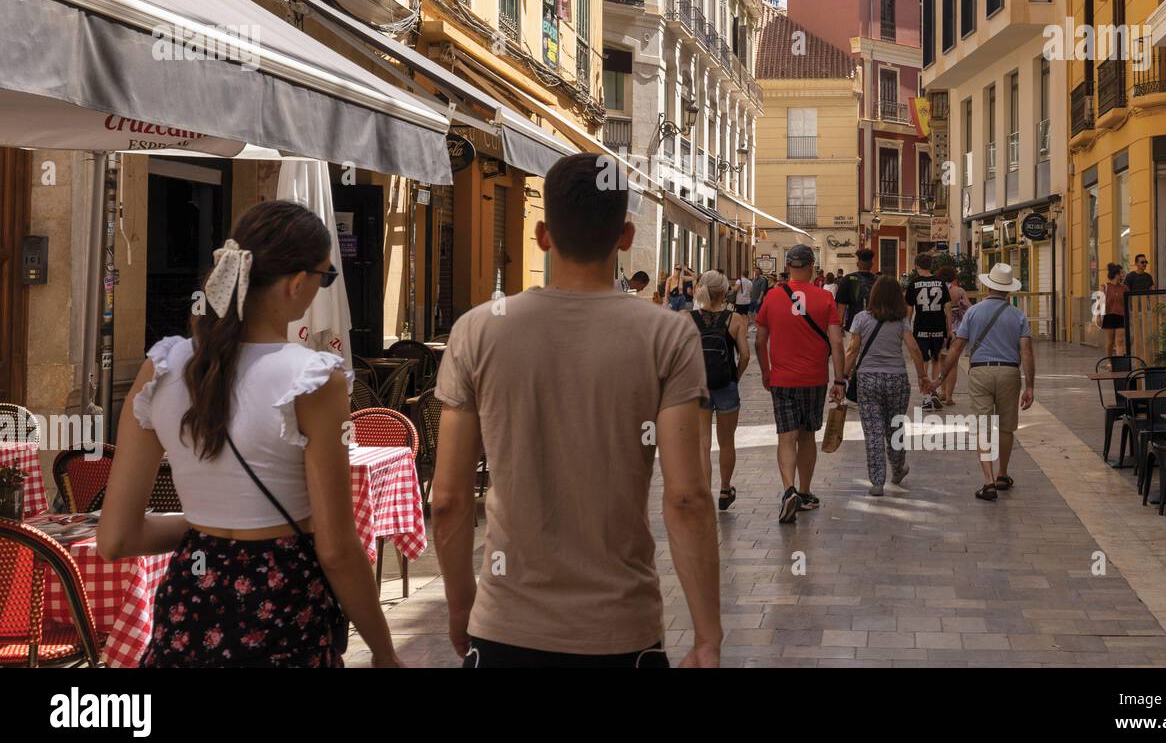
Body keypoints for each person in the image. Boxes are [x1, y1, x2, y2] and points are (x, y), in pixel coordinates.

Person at [432, 154, 722, 668]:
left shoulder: (476, 331)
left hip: (504, 628)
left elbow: (449, 499)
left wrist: (460, 608)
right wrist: (707, 636)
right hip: (619, 632)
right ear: (626, 236)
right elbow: (687, 497)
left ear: (543, 235)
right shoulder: (667, 334)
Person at [99, 200, 400, 668]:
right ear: (298, 283)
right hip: (280, 606)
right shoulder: (314, 378)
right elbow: (338, 550)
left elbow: (116, 539)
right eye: (326, 277)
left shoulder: (160, 367)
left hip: (189, 603)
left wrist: (209, 520)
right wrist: (383, 652)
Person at [755, 244, 846, 523]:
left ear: (788, 266)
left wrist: (766, 372)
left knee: (786, 436)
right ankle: (805, 492)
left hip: (782, 378)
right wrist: (840, 379)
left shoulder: (771, 297)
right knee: (807, 436)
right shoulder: (824, 298)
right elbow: (836, 341)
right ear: (811, 266)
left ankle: (788, 490)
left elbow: (759, 341)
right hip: (814, 378)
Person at [930, 262, 1035, 502]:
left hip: (980, 372)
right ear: (1008, 290)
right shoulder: (1018, 315)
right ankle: (1002, 474)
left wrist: (940, 379)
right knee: (1007, 427)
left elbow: (956, 348)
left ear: (988, 287)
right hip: (1009, 373)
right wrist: (1029, 386)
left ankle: (988, 482)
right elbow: (1027, 352)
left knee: (982, 426)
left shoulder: (973, 313)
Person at [842, 276, 928, 497]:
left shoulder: (861, 318)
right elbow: (914, 349)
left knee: (873, 432)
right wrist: (922, 377)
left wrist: (841, 378)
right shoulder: (901, 321)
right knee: (895, 428)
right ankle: (898, 469)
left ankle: (877, 481)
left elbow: (852, 350)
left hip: (867, 380)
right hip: (897, 380)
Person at [684, 270, 750, 511]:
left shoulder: (687, 317)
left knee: (703, 442)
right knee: (727, 442)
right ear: (724, 292)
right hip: (726, 385)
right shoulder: (735, 320)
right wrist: (735, 377)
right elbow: (745, 355)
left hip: (698, 386)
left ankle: (704, 494)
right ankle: (724, 488)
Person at [905, 254, 952, 412]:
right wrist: (949, 328)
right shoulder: (940, 283)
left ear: (917, 265)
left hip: (921, 327)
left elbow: (910, 310)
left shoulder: (914, 284)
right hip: (938, 327)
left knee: (922, 362)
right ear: (931, 265)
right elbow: (948, 307)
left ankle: (926, 396)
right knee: (936, 360)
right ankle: (934, 391)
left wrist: (907, 330)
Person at [936, 264, 970, 407]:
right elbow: (968, 307)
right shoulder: (959, 291)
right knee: (953, 364)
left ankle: (942, 392)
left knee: (941, 361)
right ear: (953, 277)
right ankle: (949, 396)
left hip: (940, 329)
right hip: (957, 331)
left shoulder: (936, 290)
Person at [836, 249, 878, 330]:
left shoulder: (847, 279)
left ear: (858, 264)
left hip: (852, 326)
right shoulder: (878, 280)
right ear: (871, 264)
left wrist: (839, 324)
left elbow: (841, 306)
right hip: (873, 327)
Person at [1101, 263, 1128, 356]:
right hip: (1109, 316)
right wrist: (1097, 316)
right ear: (1116, 274)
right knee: (1110, 342)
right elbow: (1100, 302)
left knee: (1120, 340)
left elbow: (1128, 302)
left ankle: (1119, 362)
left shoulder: (1124, 288)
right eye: (1121, 273)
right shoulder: (1105, 286)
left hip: (1121, 316)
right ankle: (1109, 361)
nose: (1123, 275)